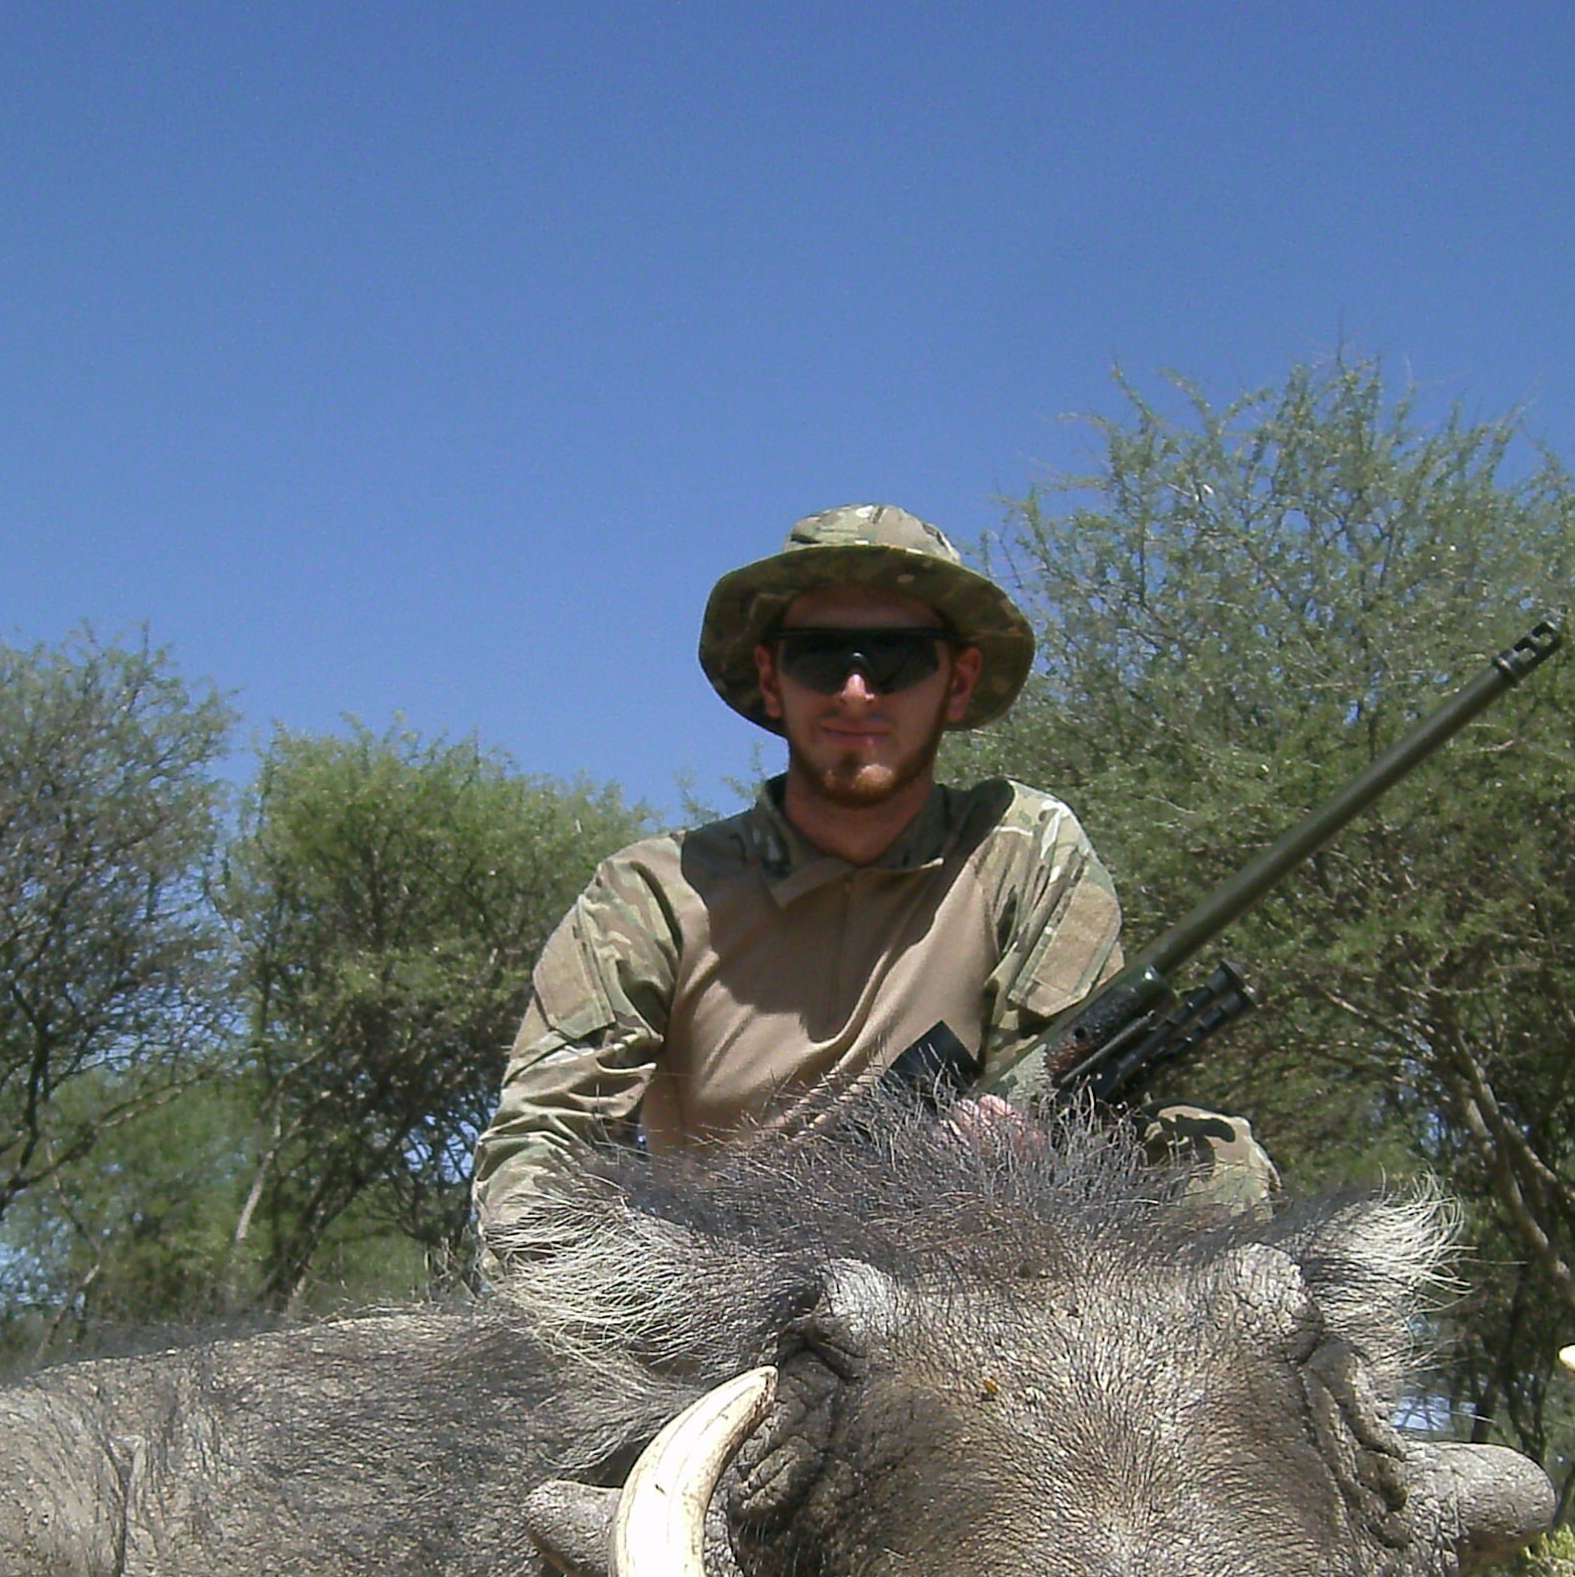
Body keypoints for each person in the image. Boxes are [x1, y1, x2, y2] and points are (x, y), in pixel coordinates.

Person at [470, 505, 1123, 1247]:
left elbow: (1067, 1105)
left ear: (959, 680)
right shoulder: (649, 894)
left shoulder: (1023, 851)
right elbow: (539, 1154)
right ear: (771, 679)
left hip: (964, 1287)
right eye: (818, 655)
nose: (854, 691)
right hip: (717, 1317)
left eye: (898, 655)